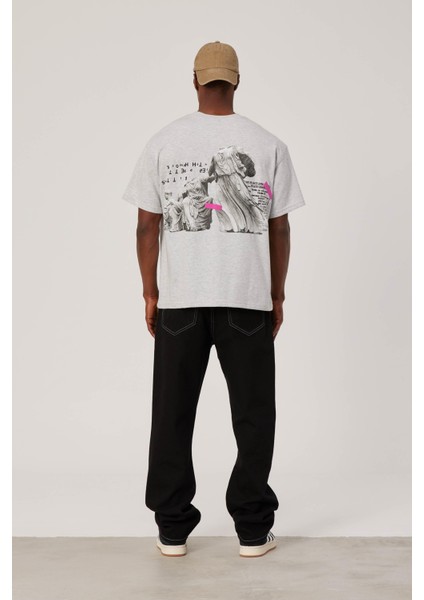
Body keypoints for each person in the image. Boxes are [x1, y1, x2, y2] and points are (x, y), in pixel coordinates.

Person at [122, 41, 306, 558]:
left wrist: (150, 291)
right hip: (246, 298)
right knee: (253, 414)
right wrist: (277, 293)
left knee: (172, 413)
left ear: (195, 79)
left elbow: (146, 226)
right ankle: (252, 530)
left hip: (181, 300)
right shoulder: (268, 144)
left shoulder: (164, 141)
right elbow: (280, 228)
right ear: (237, 80)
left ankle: (172, 529)